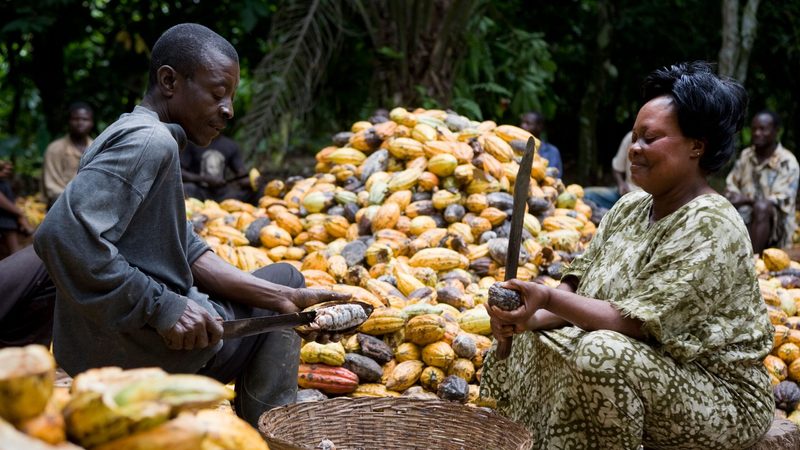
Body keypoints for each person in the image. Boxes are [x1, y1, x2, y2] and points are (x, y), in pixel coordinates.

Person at [33, 23, 347, 427]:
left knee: (285, 281)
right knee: (286, 274)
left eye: (230, 97)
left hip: (112, 345)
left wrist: (283, 298)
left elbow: (189, 251)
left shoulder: (129, 131)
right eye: (218, 94)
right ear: (169, 81)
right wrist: (164, 306)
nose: (228, 110)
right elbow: (60, 235)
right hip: (148, 352)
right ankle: (269, 430)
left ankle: (258, 425)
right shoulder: (150, 142)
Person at [482, 61, 774, 449]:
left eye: (649, 139)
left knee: (601, 354)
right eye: (634, 136)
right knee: (530, 338)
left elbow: (637, 324)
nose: (634, 148)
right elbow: (577, 282)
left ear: (696, 147)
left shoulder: (712, 223)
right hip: (651, 362)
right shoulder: (629, 207)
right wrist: (527, 316)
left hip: (716, 390)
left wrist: (548, 298)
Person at [724, 110, 799, 253]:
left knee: (762, 207)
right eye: (754, 129)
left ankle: (753, 262)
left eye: (763, 129)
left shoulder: (787, 162)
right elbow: (731, 187)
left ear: (776, 131)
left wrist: (746, 199)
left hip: (777, 228)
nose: (757, 133)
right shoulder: (746, 155)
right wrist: (733, 197)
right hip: (745, 216)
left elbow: (780, 200)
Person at [42, 102, 94, 207]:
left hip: (91, 203)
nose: (80, 123)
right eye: (76, 119)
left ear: (91, 123)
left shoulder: (97, 148)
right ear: (68, 122)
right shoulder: (55, 149)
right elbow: (52, 186)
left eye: (85, 119)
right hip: (61, 203)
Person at [181, 134, 251, 202]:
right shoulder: (193, 142)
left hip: (221, 194)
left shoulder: (230, 145)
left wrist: (250, 181)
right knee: (185, 188)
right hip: (198, 191)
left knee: (251, 190)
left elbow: (242, 174)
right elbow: (180, 172)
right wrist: (204, 178)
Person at [582, 129, 639, 212]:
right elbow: (617, 168)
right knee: (585, 194)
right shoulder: (630, 137)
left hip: (644, 200)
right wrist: (621, 184)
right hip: (624, 194)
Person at [0, 160, 34, 256]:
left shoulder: (4, 182)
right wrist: (20, 213)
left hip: (8, 218)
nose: (7, 171)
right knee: (15, 251)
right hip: (5, 220)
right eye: (3, 169)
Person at [520, 111, 563, 176]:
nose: (523, 126)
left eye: (528, 123)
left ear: (539, 127)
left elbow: (555, 176)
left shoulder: (552, 151)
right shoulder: (515, 146)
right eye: (522, 122)